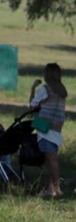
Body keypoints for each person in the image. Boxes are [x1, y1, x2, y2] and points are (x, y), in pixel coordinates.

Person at [30, 62, 67, 197]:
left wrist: (33, 88)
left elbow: (32, 105)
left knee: (52, 161)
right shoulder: (62, 90)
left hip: (44, 127)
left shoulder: (45, 89)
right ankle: (49, 188)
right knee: (51, 160)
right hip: (57, 128)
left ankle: (57, 188)